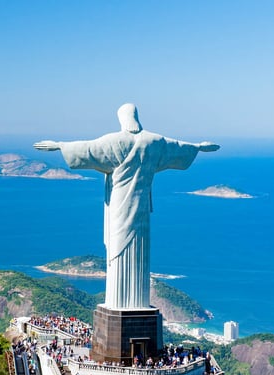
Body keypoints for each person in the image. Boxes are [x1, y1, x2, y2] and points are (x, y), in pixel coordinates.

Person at [35, 104, 219, 309]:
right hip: (141, 208)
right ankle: (135, 302)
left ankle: (119, 301)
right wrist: (198, 147)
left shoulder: (114, 141)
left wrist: (60, 145)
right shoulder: (154, 141)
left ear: (122, 118)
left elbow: (87, 148)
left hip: (119, 205)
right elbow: (177, 147)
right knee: (139, 246)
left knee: (117, 245)